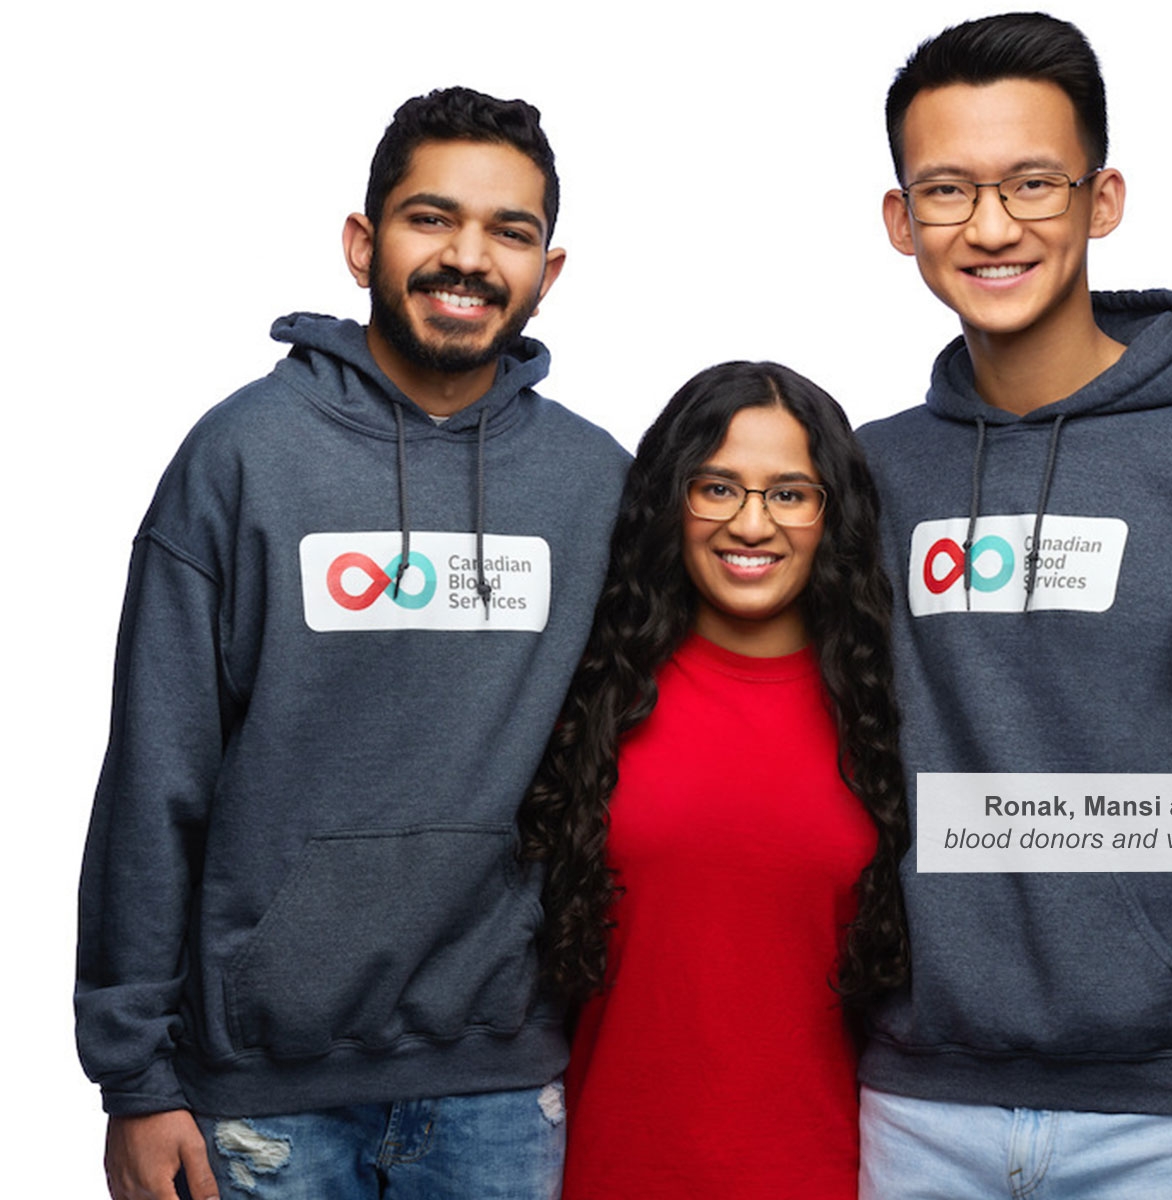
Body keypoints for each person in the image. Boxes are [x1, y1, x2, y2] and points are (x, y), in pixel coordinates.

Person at [75, 87, 629, 1200]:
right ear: (363, 242)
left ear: (548, 271)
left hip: (503, 1083)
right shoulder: (240, 460)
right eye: (433, 219)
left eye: (508, 232)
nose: (467, 258)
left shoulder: (595, 485)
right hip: (264, 1092)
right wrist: (134, 1080)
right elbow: (154, 779)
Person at [855, 13, 1172, 1200]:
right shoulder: (867, 477)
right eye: (946, 190)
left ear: (1103, 198)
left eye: (1034, 182)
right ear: (898, 220)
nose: (990, 226)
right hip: (912, 1105)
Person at [518, 361, 910, 1198]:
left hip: (828, 1174)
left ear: (830, 514)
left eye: (790, 493)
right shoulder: (588, 695)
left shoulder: (884, 712)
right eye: (718, 488)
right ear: (672, 501)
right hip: (610, 1170)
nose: (752, 523)